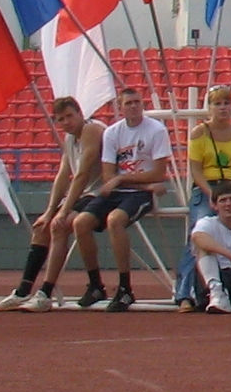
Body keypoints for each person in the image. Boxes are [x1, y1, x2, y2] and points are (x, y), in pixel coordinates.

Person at [0, 94, 104, 312]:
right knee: (43, 228)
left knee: (58, 227)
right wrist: (50, 211)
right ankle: (23, 291)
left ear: (80, 114)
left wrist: (62, 213)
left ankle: (45, 293)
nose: (66, 122)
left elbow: (81, 175)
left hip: (100, 192)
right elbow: (63, 175)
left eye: (70, 116)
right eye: (61, 119)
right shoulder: (70, 139)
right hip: (84, 194)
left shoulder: (92, 130)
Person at [69, 86, 174, 313]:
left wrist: (123, 180)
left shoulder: (156, 130)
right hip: (120, 191)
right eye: (128, 103)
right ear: (121, 106)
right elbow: (108, 176)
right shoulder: (112, 132)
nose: (134, 106)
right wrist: (129, 181)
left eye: (137, 101)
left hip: (139, 195)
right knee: (80, 223)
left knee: (115, 220)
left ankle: (125, 287)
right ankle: (96, 284)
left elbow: (159, 173)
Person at [173, 83, 231, 311]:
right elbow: (195, 169)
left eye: (227, 103)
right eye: (218, 103)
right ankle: (185, 292)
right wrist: (213, 196)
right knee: (198, 233)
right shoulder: (199, 132)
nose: (223, 108)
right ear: (209, 108)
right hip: (208, 188)